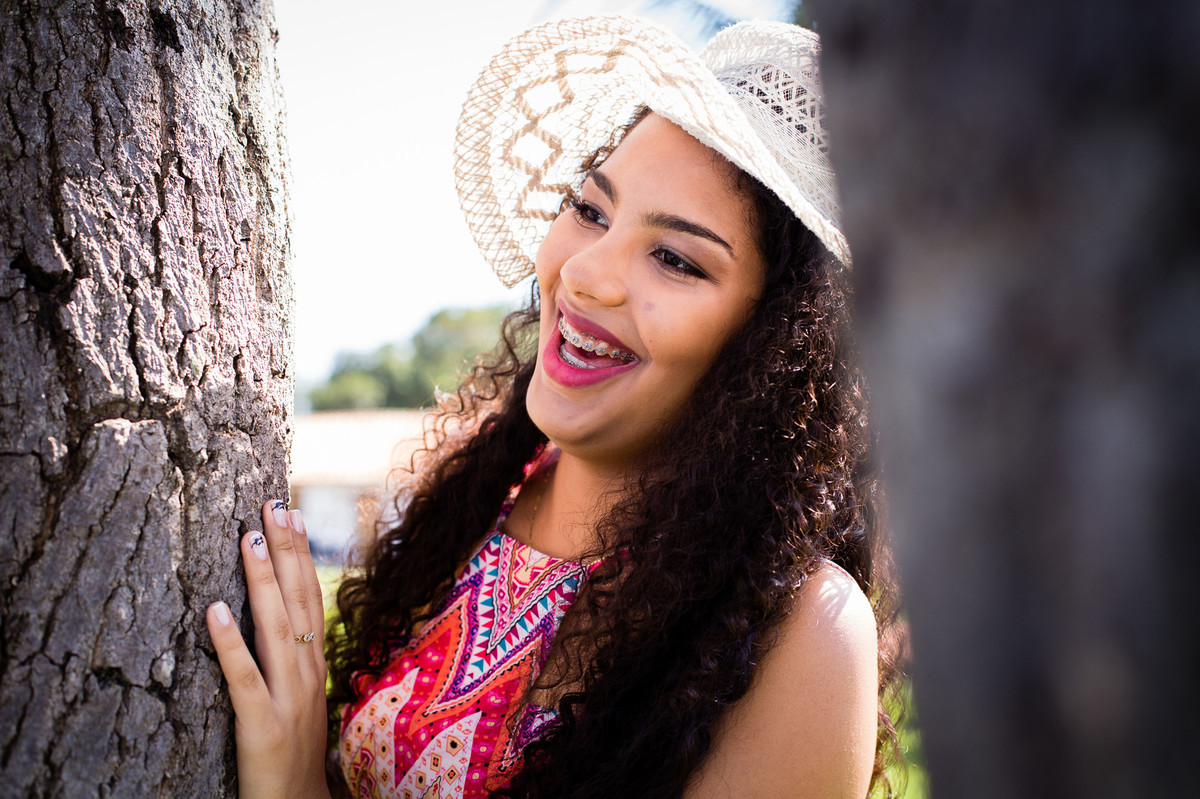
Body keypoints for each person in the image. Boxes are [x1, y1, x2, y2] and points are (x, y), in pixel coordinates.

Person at [206, 15, 905, 799]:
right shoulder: (471, 503)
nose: (586, 273)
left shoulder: (804, 634)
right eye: (591, 209)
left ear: (777, 346)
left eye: (674, 258)